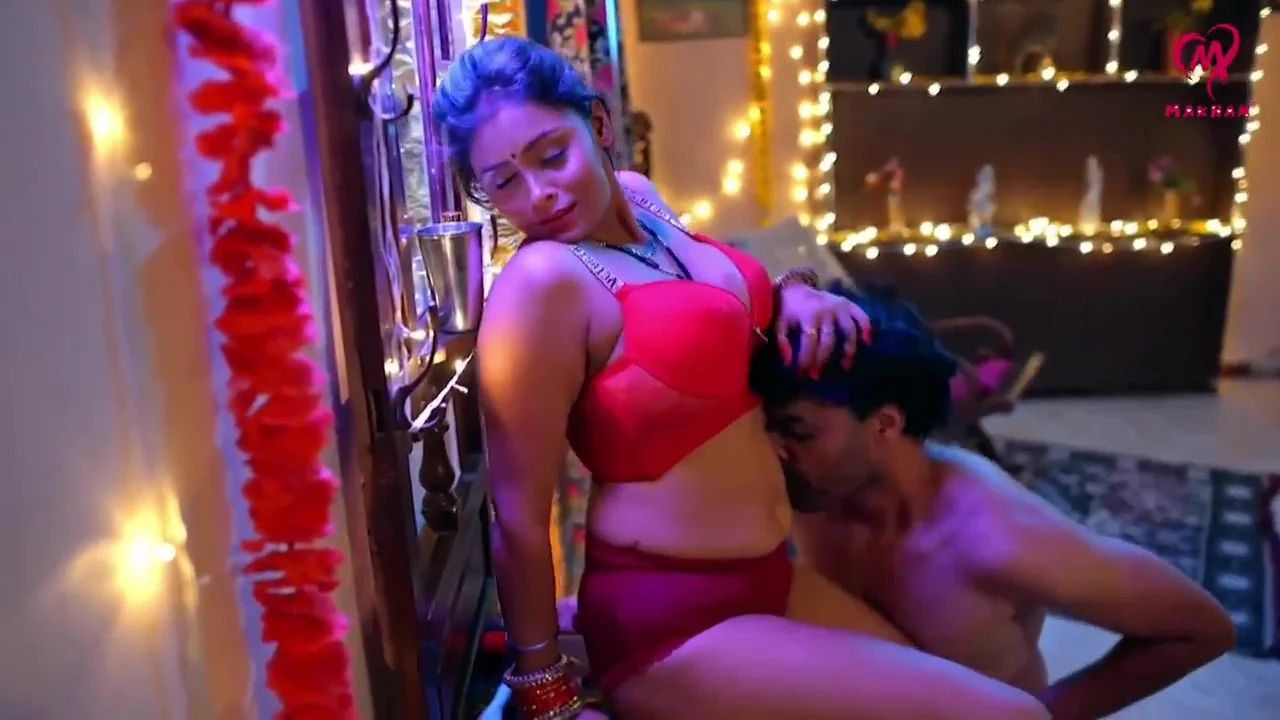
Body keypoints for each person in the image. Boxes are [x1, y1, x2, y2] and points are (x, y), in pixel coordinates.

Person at [433, 36, 1049, 719]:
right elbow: (518, 519)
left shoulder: (641, 200)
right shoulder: (541, 283)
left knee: (991, 676)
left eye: (552, 155)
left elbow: (721, 305)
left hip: (768, 574)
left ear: (598, 124)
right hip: (668, 617)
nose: (540, 192)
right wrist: (545, 688)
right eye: (504, 182)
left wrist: (795, 291)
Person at [751, 285, 1237, 718]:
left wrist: (1043, 716)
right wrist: (792, 291)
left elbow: (1200, 628)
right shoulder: (813, 487)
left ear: (884, 425)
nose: (771, 450)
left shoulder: (998, 537)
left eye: (798, 432)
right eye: (766, 428)